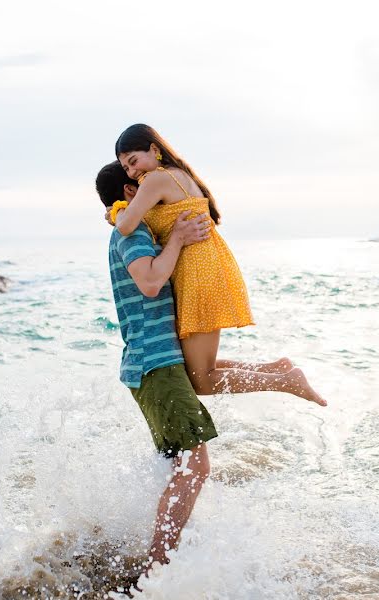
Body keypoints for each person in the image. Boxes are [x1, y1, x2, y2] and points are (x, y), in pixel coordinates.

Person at [110, 124, 327, 406]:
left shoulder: (156, 180)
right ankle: (276, 369)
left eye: (133, 161)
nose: (131, 171)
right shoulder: (181, 176)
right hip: (207, 268)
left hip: (198, 273)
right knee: (196, 367)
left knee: (201, 379)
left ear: (154, 149)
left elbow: (126, 226)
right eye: (125, 167)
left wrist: (114, 211)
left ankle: (286, 382)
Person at [96, 160, 218, 573]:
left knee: (182, 468)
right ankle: (157, 569)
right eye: (143, 183)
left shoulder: (133, 232)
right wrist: (180, 239)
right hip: (156, 366)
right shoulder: (132, 234)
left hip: (152, 366)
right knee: (195, 467)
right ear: (130, 194)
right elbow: (150, 282)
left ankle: (163, 559)